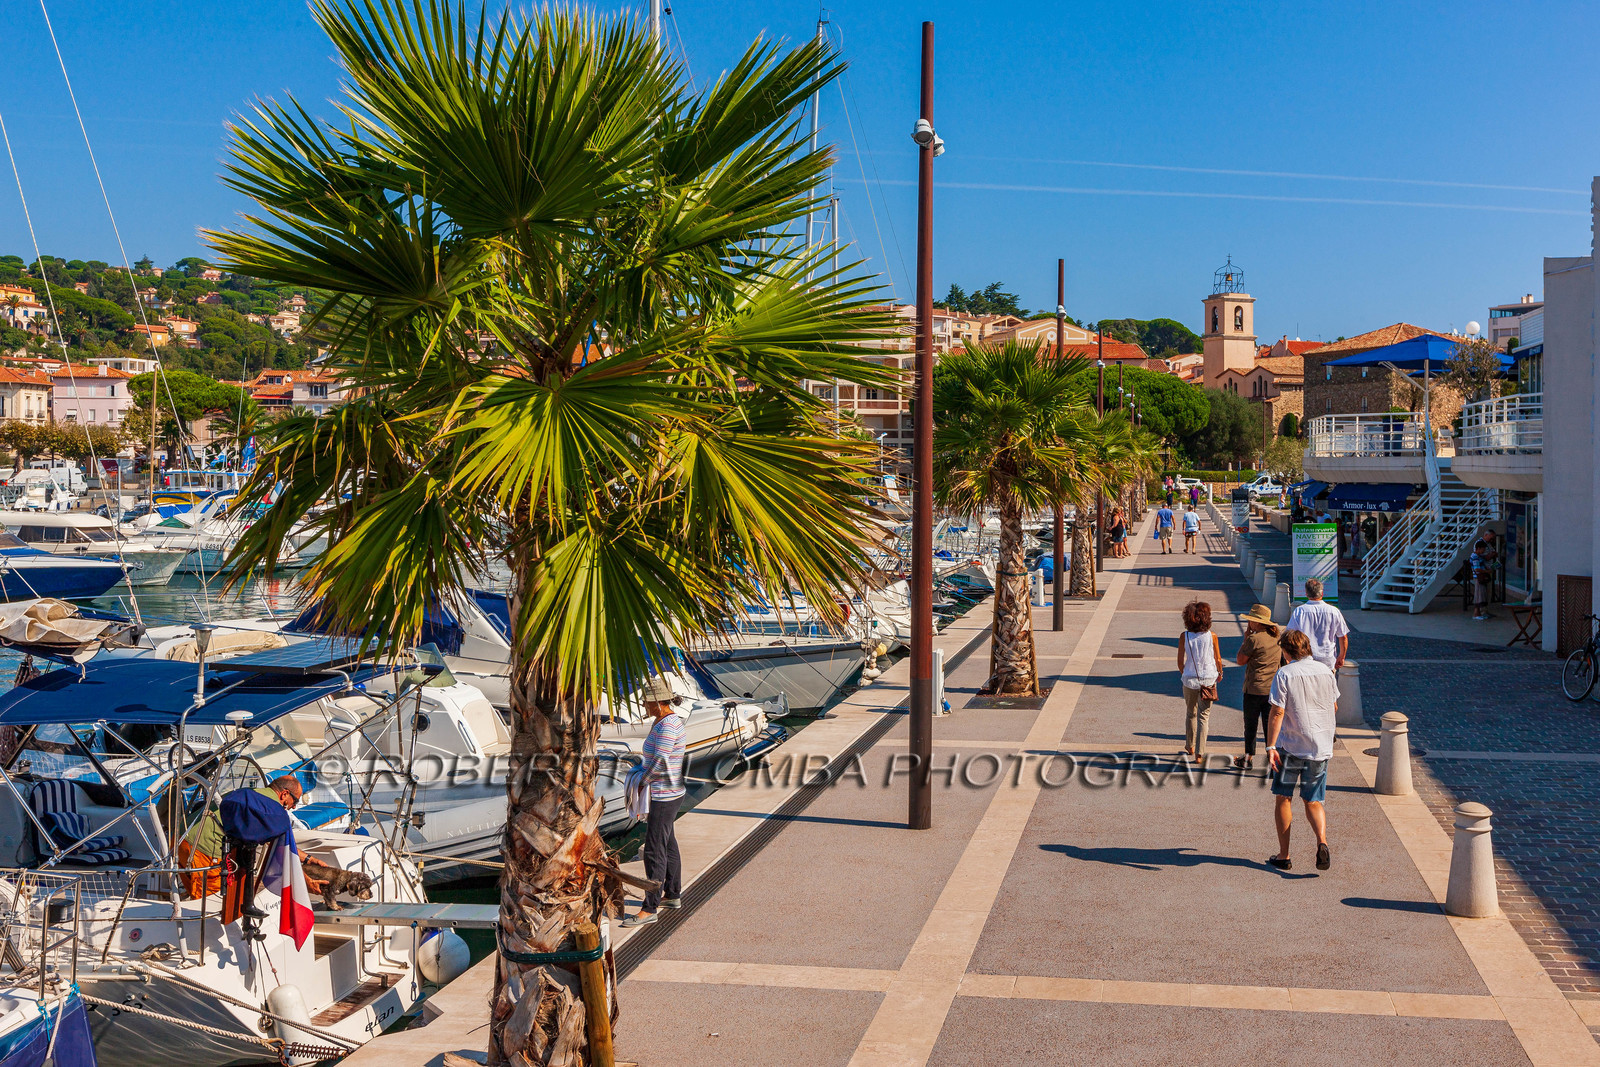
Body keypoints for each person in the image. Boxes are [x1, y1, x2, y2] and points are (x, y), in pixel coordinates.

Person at [1266, 629, 1340, 871]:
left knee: (1284, 798)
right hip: (1320, 746)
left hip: (1291, 745)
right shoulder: (1326, 672)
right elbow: (1334, 705)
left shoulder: (1285, 674)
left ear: (1287, 651)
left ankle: (1284, 855)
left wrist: (1270, 745)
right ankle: (1322, 841)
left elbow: (1277, 711)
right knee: (1313, 801)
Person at [621, 674, 689, 927]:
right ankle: (672, 894)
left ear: (659, 702)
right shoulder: (663, 721)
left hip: (664, 793)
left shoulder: (668, 725)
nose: (644, 707)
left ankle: (650, 908)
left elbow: (660, 763)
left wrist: (641, 781)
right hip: (667, 791)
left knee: (653, 850)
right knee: (668, 843)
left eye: (647, 703)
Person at [179, 775, 304, 901]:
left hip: (181, 839)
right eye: (295, 801)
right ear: (285, 794)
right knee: (211, 901)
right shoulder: (271, 807)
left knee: (197, 899)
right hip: (204, 848)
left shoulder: (249, 793)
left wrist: (307, 858)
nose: (293, 806)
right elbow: (278, 845)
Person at [1233, 604, 1283, 769]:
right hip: (1272, 691)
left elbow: (1240, 660)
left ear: (1257, 622)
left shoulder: (1254, 639)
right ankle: (1272, 761)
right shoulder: (1277, 638)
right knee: (1270, 728)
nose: (1249, 623)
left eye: (1251, 620)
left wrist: (1246, 639)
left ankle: (1248, 758)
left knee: (1251, 725)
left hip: (1254, 689)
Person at [1176, 600, 1222, 762]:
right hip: (1208, 679)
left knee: (1191, 713)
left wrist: (1185, 673)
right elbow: (1217, 658)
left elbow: (1180, 661)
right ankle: (1200, 753)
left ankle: (1190, 745)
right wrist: (1219, 672)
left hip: (1189, 680)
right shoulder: (1212, 636)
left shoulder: (1185, 636)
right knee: (1204, 716)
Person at [1285, 577, 1349, 673]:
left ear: (1306, 594)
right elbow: (1343, 637)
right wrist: (1341, 656)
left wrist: (1289, 658)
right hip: (1327, 661)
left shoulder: (1300, 611)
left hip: (1304, 660)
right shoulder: (1334, 611)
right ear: (1322, 593)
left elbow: (1289, 636)